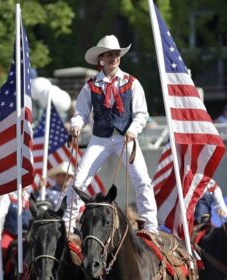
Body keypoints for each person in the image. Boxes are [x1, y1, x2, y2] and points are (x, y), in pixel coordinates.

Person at [66, 34, 158, 235]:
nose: (113, 58)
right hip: (100, 138)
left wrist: (133, 130)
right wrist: (76, 124)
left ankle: (151, 226)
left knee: (142, 179)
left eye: (116, 54)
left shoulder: (132, 82)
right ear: (101, 58)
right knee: (79, 179)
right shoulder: (91, 85)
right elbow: (81, 111)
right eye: (109, 55)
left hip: (125, 137)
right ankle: (67, 223)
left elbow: (142, 113)